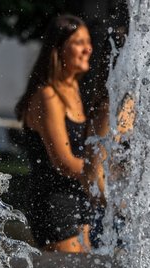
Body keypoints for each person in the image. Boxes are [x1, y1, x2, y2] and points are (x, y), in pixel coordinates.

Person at [15, 15, 94, 253]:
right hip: (54, 204)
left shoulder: (75, 90)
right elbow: (65, 163)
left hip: (79, 199)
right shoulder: (48, 96)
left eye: (88, 41)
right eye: (79, 42)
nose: (88, 48)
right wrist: (103, 171)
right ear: (58, 49)